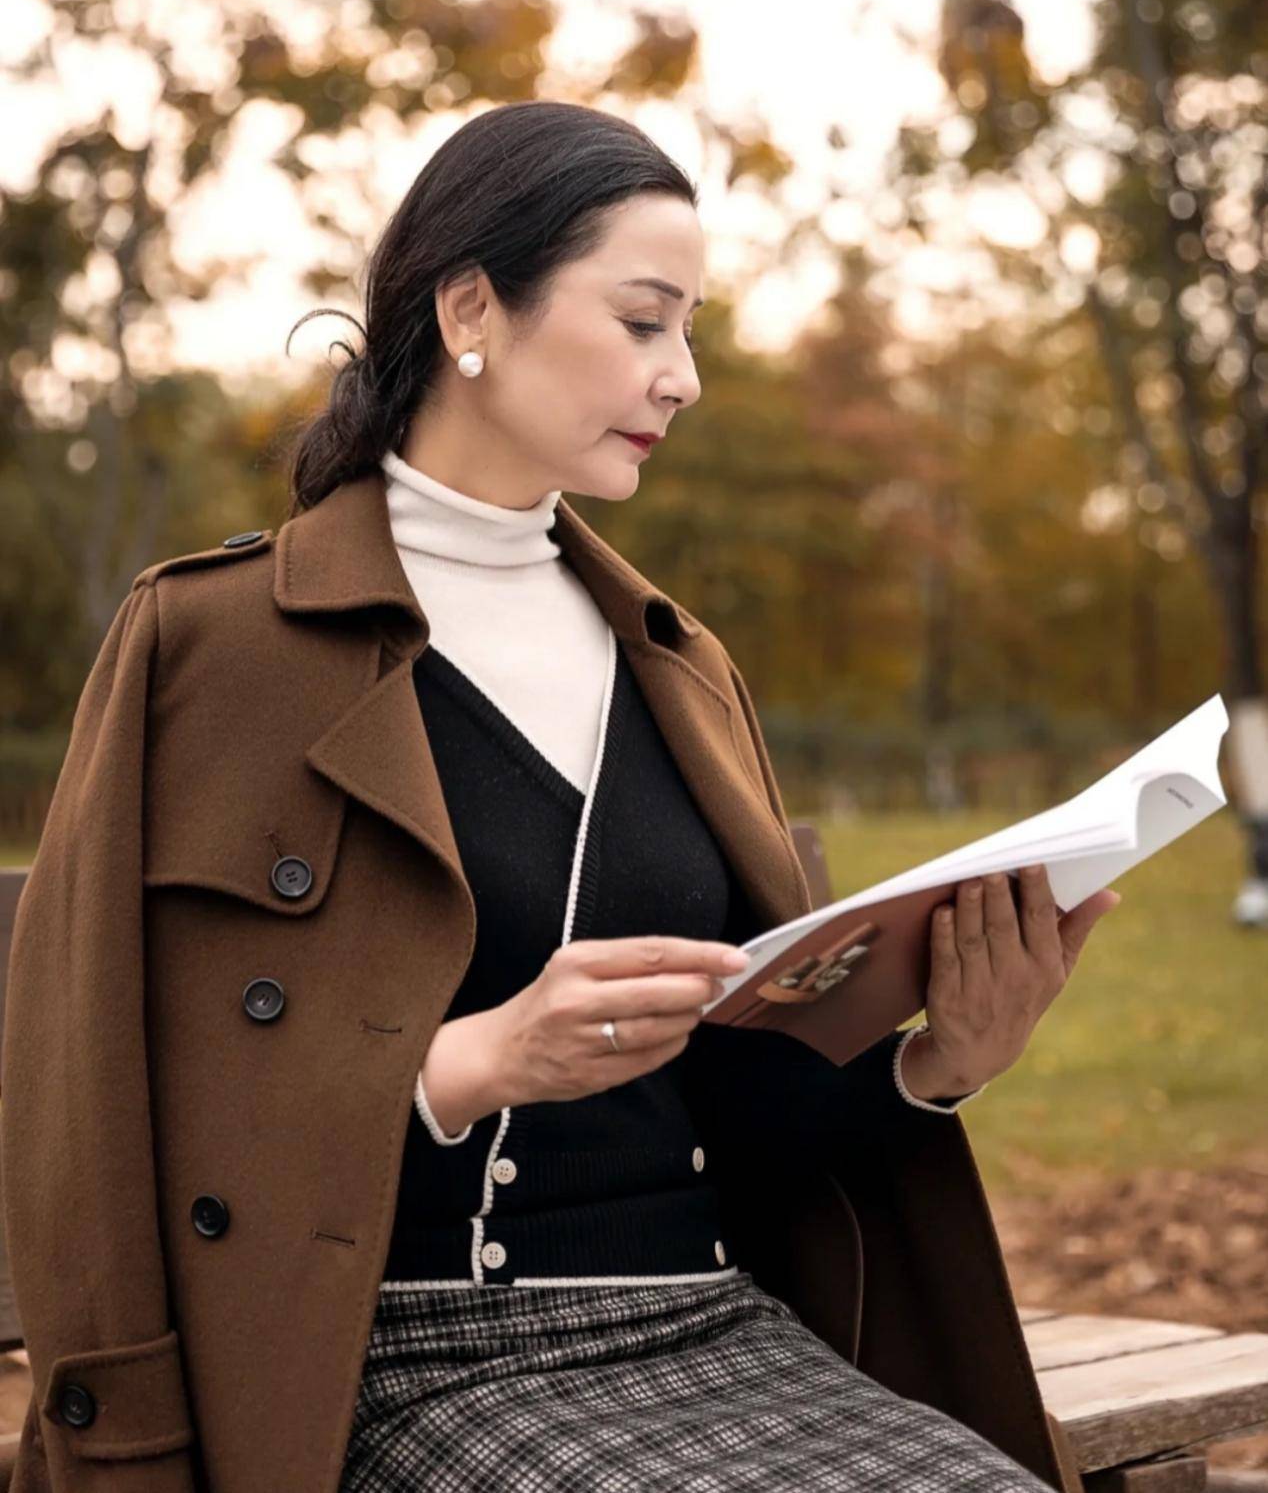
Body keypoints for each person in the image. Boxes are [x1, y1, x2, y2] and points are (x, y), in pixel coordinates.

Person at [2, 99, 1114, 1493]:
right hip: (388, 1361)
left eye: (691, 329)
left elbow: (745, 1112)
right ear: (473, 305)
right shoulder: (207, 648)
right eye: (645, 321)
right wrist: (469, 1066)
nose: (686, 377)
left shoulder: (682, 662)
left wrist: (941, 1058)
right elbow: (95, 1108)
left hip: (712, 1328)